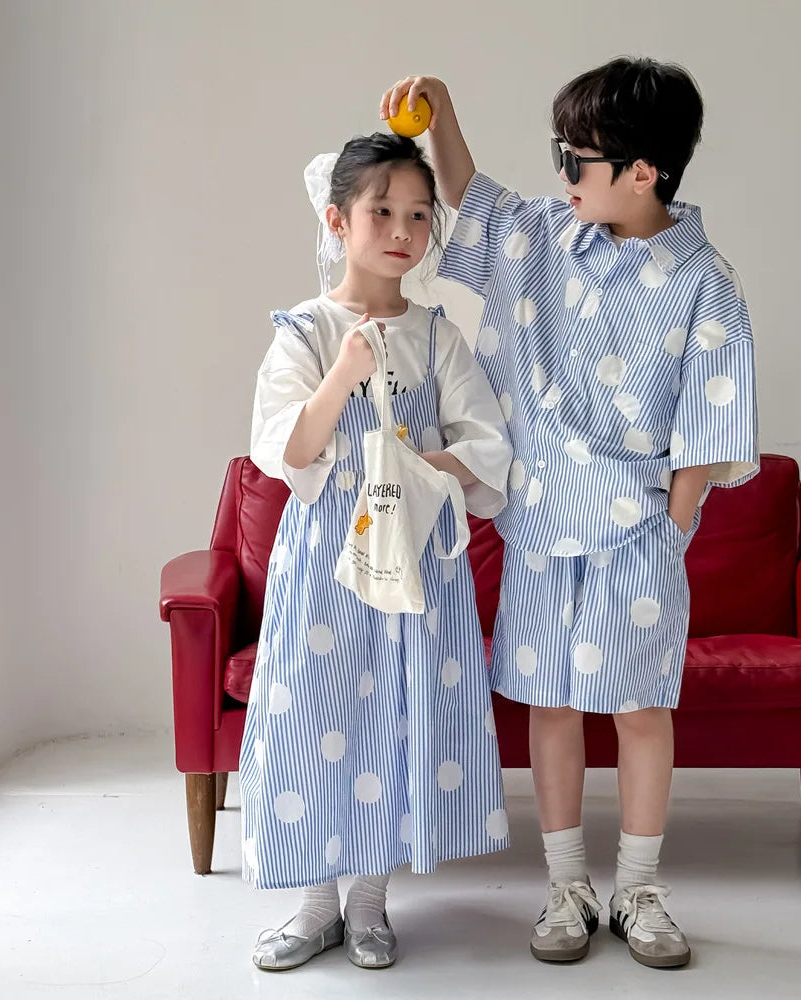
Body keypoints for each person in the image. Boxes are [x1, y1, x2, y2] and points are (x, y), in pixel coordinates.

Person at [379, 59, 759, 969]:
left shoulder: (705, 280)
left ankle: (641, 890)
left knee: (640, 709)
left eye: (577, 159)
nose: (562, 174)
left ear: (644, 172)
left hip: (638, 532)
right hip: (541, 522)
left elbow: (712, 417)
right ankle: (567, 887)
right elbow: (467, 194)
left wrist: (672, 524)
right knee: (549, 706)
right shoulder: (546, 235)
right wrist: (444, 112)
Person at [239, 131, 513, 972]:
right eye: (381, 211)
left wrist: (419, 468)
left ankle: (368, 902)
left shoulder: (438, 336)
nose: (402, 230)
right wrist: (344, 373)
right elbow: (285, 448)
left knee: (398, 716)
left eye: (419, 215)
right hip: (326, 564)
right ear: (338, 220)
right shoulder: (305, 331)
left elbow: (487, 446)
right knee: (317, 718)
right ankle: (315, 903)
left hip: (416, 561)